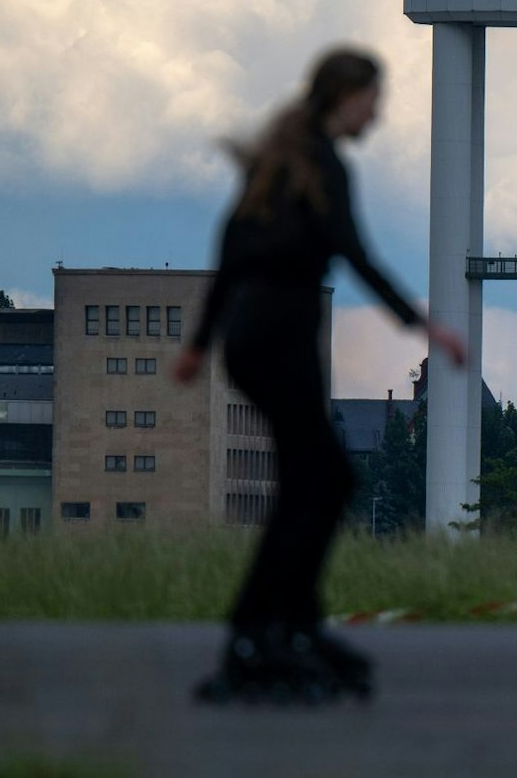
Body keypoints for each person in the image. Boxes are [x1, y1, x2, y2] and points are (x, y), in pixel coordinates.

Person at [174, 46, 465, 703]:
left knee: (315, 480)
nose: (377, 113)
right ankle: (262, 633)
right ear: (345, 96)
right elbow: (356, 255)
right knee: (323, 480)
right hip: (278, 342)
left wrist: (199, 344)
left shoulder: (280, 163)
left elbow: (230, 250)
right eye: (373, 100)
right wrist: (425, 326)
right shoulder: (320, 166)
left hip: (254, 342)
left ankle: (288, 627)